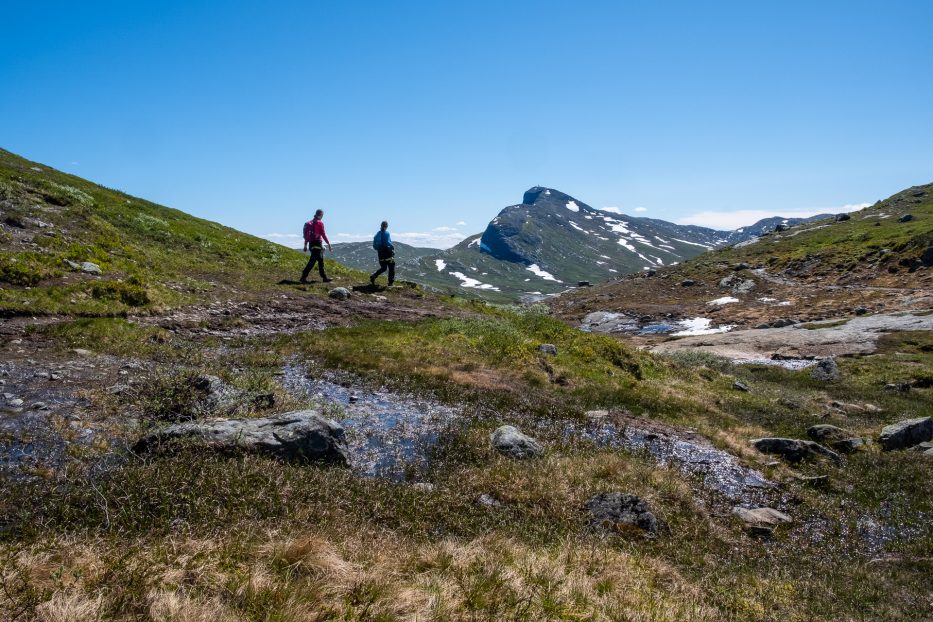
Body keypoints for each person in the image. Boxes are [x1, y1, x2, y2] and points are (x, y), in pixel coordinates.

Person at [300, 209, 333, 283]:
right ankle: (303, 277)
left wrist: (305, 245)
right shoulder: (319, 223)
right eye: (322, 215)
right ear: (321, 214)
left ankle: (324, 277)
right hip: (317, 244)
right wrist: (329, 244)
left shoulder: (309, 223)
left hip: (311, 245)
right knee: (312, 261)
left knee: (320, 261)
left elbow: (307, 236)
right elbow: (323, 234)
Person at [370, 220, 395, 286]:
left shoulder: (378, 234)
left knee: (384, 268)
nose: (386, 226)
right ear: (386, 226)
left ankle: (374, 276)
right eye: (386, 225)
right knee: (391, 267)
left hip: (380, 253)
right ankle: (390, 283)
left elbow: (375, 246)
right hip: (387, 252)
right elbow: (387, 242)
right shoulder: (387, 233)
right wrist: (392, 247)